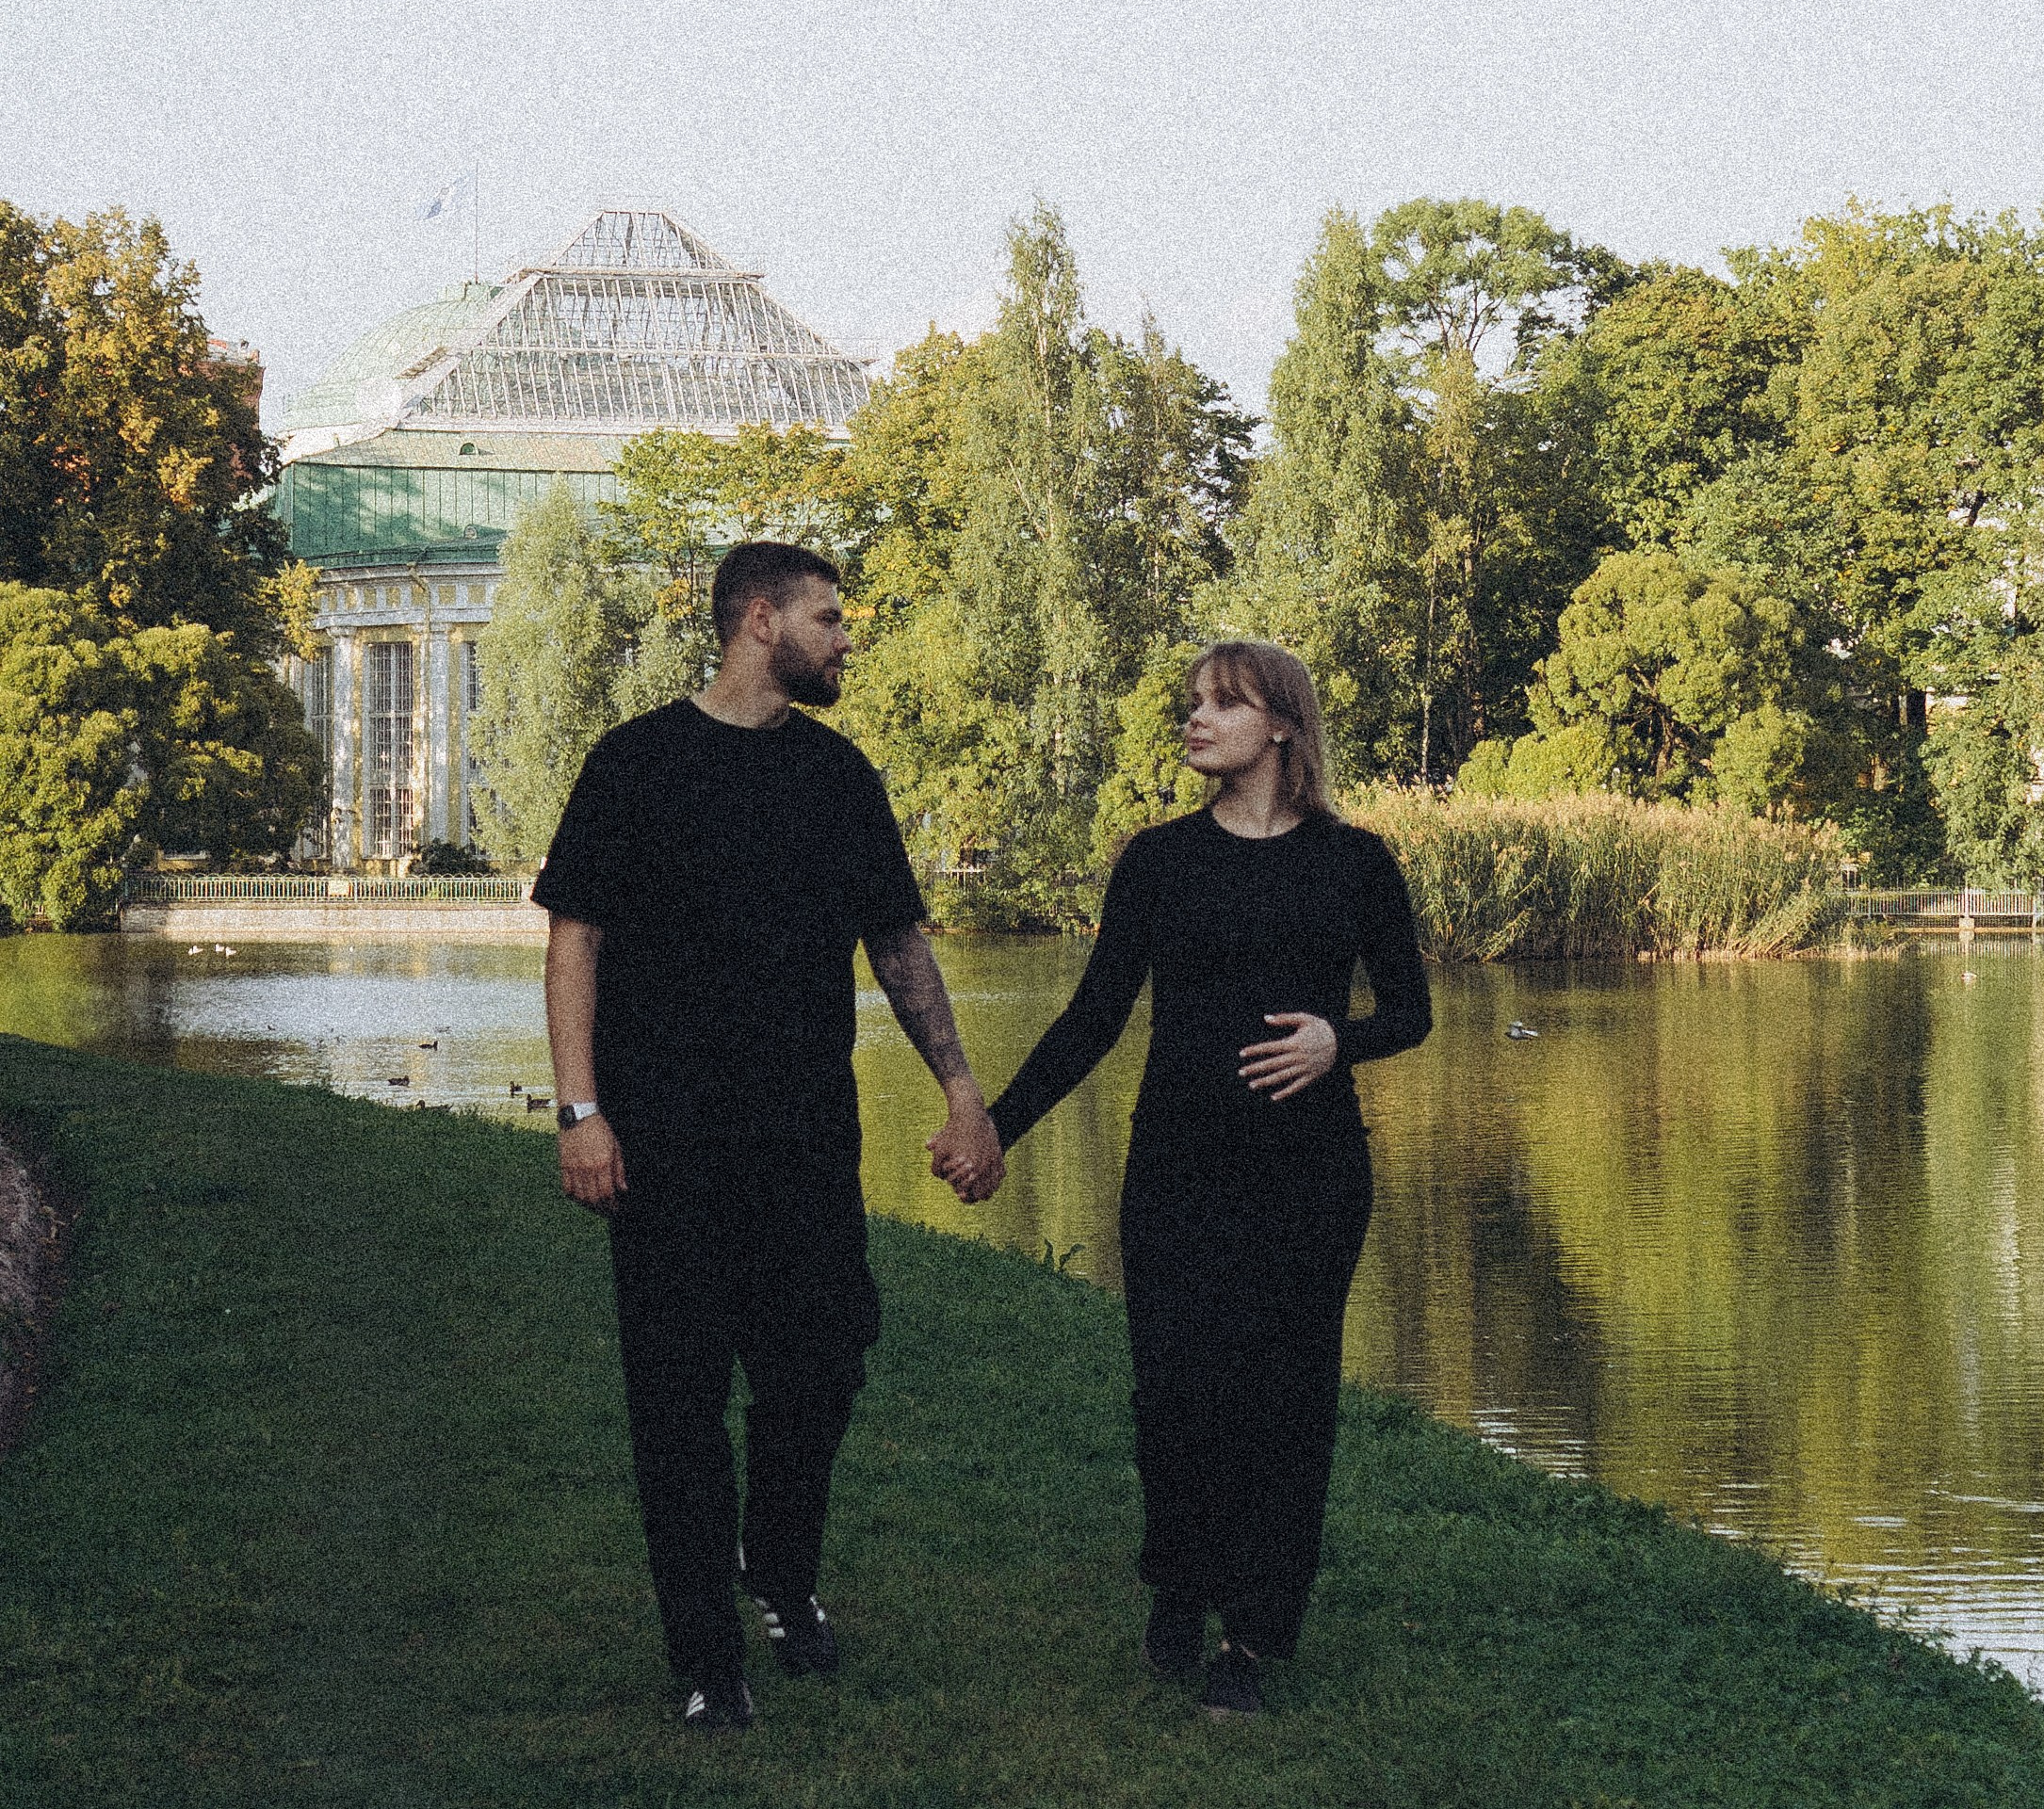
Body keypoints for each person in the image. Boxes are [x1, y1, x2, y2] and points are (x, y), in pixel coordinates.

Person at [534, 540, 1004, 1733]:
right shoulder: (635, 764)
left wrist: (960, 1088)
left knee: (826, 1356)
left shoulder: (839, 778)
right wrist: (580, 1110)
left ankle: (780, 1570)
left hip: (804, 1140)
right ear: (760, 620)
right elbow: (574, 939)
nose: (847, 639)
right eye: (829, 619)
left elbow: (898, 944)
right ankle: (707, 1658)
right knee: (679, 1396)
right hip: (665, 1147)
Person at [940, 639, 1430, 1719]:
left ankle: (1252, 1638)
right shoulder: (1158, 862)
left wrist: (1336, 1043)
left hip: (1309, 1177)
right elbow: (1093, 1018)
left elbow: (1413, 1012)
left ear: (1284, 726)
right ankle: (1180, 1578)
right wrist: (997, 1127)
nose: (1196, 718)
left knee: (1286, 1400)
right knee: (1175, 1392)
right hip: (1178, 1172)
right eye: (1192, 701)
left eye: (1223, 701)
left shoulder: (1359, 863)